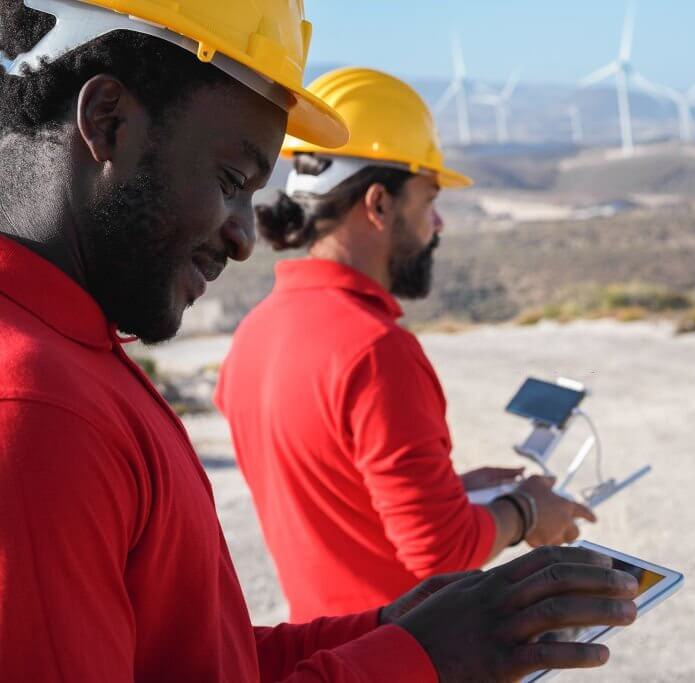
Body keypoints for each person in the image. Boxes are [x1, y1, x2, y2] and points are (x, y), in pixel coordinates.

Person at [0, 2, 638, 681]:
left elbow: (199, 660)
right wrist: (427, 653)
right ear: (106, 121)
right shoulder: (38, 411)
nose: (245, 238)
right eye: (228, 180)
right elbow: (434, 541)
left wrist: (393, 630)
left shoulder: (89, 355)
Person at [215, 67, 596, 620]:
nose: (437, 223)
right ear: (379, 204)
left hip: (324, 650)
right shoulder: (374, 351)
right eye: (428, 200)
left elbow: (338, 500)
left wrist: (453, 492)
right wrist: (529, 510)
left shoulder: (257, 332)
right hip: (399, 654)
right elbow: (438, 552)